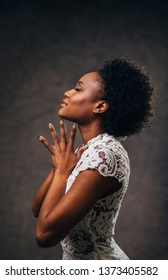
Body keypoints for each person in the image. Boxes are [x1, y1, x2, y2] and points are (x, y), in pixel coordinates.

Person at [32, 56, 155, 260]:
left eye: (78, 89)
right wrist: (58, 169)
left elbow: (44, 235)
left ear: (100, 106)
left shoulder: (105, 155)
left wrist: (63, 172)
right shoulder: (89, 151)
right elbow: (38, 209)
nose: (67, 92)